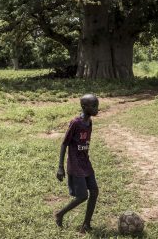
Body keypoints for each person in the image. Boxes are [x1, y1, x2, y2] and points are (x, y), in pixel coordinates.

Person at [55, 93, 99, 233]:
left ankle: (86, 224)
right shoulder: (75, 123)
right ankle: (60, 214)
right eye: (94, 106)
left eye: (97, 105)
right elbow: (64, 144)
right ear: (84, 107)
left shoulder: (89, 122)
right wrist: (61, 167)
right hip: (75, 164)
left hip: (85, 163)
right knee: (82, 196)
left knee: (94, 191)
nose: (97, 108)